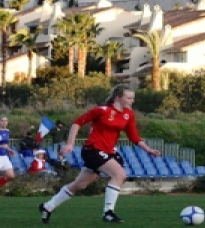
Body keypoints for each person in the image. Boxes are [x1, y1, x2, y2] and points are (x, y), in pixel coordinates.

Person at [39, 84, 161, 224]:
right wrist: (70, 144)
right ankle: (108, 212)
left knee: (80, 185)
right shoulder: (102, 110)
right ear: (118, 98)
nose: (132, 101)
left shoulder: (129, 115)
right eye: (129, 98)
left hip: (108, 151)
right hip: (93, 150)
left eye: (133, 98)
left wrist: (149, 149)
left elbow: (134, 137)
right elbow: (77, 123)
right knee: (119, 175)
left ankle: (48, 206)